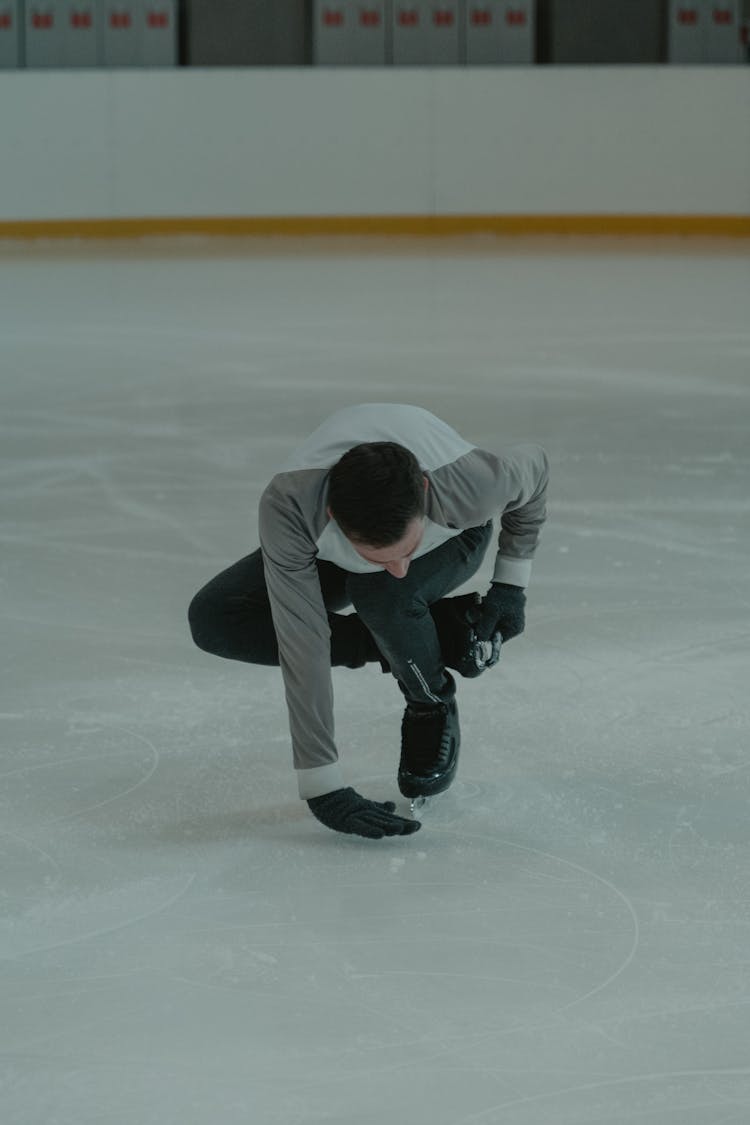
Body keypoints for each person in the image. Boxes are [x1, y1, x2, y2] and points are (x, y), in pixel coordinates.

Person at [188, 403, 548, 840]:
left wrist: (510, 588)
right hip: (333, 551)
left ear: (425, 489)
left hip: (454, 537)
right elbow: (303, 643)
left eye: (405, 551)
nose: (399, 567)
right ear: (336, 519)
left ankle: (428, 698)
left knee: (383, 592)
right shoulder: (289, 510)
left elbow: (536, 469)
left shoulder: (470, 484)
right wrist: (322, 784)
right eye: (380, 556)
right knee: (216, 618)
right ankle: (422, 638)